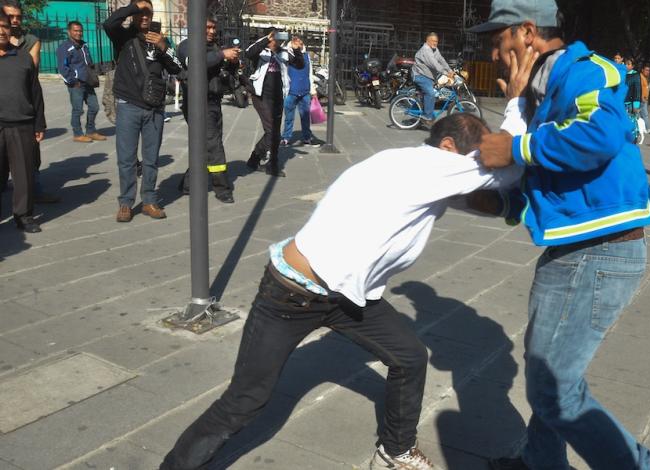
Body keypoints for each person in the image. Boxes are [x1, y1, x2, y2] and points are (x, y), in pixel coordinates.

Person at [158, 113, 522, 470]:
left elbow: (486, 198)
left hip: (345, 298)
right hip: (290, 295)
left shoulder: (430, 174)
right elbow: (505, 165)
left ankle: (395, 452)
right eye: (478, 152)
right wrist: (519, 106)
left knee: (409, 356)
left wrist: (518, 205)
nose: (482, 159)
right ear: (447, 146)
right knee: (246, 400)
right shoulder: (424, 168)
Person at [468, 1, 650, 468]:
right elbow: (548, 177)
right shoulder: (541, 89)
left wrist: (516, 145)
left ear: (528, 32)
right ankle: (540, 460)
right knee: (551, 374)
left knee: (553, 389)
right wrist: (493, 201)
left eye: (499, 42)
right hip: (576, 250)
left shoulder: (584, 71)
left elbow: (599, 136)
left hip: (598, 253)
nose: (495, 55)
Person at [104, 0, 182, 223]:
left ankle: (149, 200)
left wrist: (164, 47)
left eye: (149, 12)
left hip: (154, 108)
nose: (145, 16)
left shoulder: (160, 39)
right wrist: (133, 7)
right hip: (128, 106)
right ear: (135, 15)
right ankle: (126, 202)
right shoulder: (124, 37)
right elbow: (109, 23)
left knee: (151, 158)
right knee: (127, 159)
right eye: (141, 13)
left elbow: (177, 67)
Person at [177, 16, 239, 204]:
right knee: (213, 144)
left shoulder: (214, 47)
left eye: (214, 28)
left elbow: (219, 68)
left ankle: (188, 183)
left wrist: (232, 62)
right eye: (208, 27)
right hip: (197, 103)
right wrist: (222, 55)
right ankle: (222, 188)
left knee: (204, 145)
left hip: (213, 101)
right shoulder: (187, 45)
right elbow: (195, 63)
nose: (212, 31)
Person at [2, 0, 58, 204]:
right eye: (10, 17)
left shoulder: (30, 41)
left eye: (18, 17)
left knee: (30, 157)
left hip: (24, 107)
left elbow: (29, 74)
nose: (15, 21)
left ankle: (33, 193)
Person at [0, 10, 44, 232]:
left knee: (24, 174)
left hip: (21, 124)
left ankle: (23, 215)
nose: (2, 31)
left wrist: (39, 124)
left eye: (5, 26)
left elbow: (35, 92)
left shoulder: (23, 57)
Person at [244, 29, 304, 177]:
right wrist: (266, 39)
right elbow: (248, 53)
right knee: (271, 131)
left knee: (275, 133)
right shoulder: (261, 51)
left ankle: (264, 162)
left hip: (278, 95)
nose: (277, 40)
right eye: (275, 37)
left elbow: (299, 65)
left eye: (279, 37)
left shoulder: (284, 52)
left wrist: (297, 50)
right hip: (261, 95)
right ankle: (262, 161)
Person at [57, 20, 106, 144]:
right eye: (75, 30)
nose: (79, 33)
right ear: (69, 32)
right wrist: (73, 81)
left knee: (94, 107)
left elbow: (88, 63)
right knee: (78, 110)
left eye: (80, 31)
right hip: (76, 84)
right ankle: (77, 133)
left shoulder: (84, 45)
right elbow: (63, 68)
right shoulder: (65, 48)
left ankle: (91, 131)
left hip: (88, 82)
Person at [280, 36, 325, 148]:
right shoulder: (286, 54)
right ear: (292, 42)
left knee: (305, 117)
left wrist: (313, 89)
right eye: (296, 41)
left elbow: (309, 73)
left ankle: (306, 137)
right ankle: (286, 137)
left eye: (300, 41)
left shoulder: (306, 55)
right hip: (291, 91)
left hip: (305, 90)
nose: (299, 43)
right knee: (289, 117)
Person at [412, 32, 453, 125]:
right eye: (433, 41)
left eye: (437, 41)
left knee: (430, 94)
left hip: (428, 77)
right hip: (420, 76)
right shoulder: (426, 50)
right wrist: (446, 73)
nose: (435, 43)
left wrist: (450, 70)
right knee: (430, 93)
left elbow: (441, 60)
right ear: (427, 41)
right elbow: (434, 64)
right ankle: (427, 116)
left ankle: (418, 112)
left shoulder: (434, 49)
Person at [639, 63, 650, 134]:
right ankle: (647, 129)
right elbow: (640, 88)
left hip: (644, 99)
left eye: (649, 70)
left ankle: (642, 129)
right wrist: (642, 97)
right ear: (642, 70)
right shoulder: (640, 78)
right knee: (645, 115)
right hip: (642, 99)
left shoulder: (645, 78)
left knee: (641, 115)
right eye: (646, 70)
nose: (648, 72)